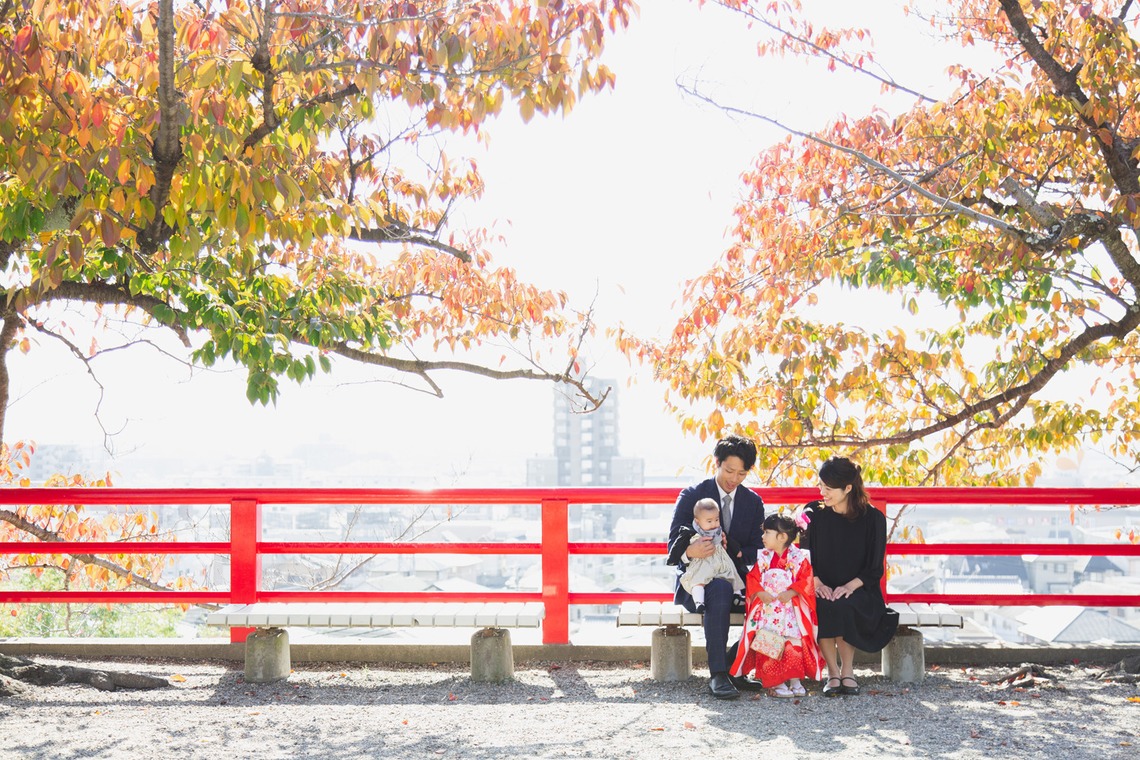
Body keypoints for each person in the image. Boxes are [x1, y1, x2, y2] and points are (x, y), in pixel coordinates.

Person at [667, 434, 765, 700]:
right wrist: (689, 550)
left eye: (742, 473)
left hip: (738, 581)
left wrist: (734, 547)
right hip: (697, 584)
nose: (734, 478)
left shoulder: (753, 503)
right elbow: (672, 544)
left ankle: (734, 665)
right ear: (717, 463)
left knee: (773, 600)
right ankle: (718, 674)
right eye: (729, 470)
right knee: (719, 588)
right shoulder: (693, 496)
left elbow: (759, 548)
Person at [804, 456, 899, 696]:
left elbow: (875, 567)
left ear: (848, 488)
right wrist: (816, 583)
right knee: (824, 604)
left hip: (860, 588)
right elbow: (804, 556)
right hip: (820, 583)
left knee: (845, 604)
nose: (822, 492)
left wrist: (850, 586)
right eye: (820, 486)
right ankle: (832, 673)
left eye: (828, 488)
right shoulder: (812, 513)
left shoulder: (873, 518)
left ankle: (848, 672)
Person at [730, 511, 824, 698]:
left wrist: (792, 591)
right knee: (770, 644)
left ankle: (795, 680)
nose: (762, 537)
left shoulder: (798, 557)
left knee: (792, 644)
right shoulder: (764, 557)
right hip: (769, 610)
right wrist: (760, 592)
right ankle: (776, 683)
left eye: (767, 533)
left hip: (790, 610)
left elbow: (806, 577)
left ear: (782, 537)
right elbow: (753, 577)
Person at [667, 497, 745, 611]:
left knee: (731, 573)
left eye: (716, 519)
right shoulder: (690, 532)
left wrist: (736, 549)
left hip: (720, 562)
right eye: (709, 521)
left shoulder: (718, 532)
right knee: (698, 581)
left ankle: (737, 595)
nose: (714, 524)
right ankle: (699, 601)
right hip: (702, 564)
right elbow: (677, 546)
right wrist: (688, 552)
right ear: (698, 521)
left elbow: (729, 540)